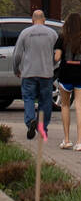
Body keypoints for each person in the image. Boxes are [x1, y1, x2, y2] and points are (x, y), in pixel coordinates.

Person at [12, 10, 58, 139]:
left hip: (29, 73)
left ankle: (30, 120)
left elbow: (17, 55)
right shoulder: (52, 34)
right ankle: (42, 127)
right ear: (44, 20)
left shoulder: (25, 33)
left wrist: (16, 69)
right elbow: (58, 53)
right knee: (45, 101)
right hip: (46, 73)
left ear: (32, 20)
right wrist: (52, 64)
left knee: (29, 98)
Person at [54, 13, 81, 150]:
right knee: (80, 107)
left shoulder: (62, 37)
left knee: (65, 106)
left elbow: (57, 57)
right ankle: (80, 142)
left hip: (65, 74)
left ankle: (66, 139)